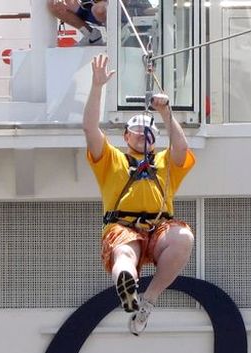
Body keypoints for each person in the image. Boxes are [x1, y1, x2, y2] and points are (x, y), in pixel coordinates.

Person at [83, 53, 196, 336]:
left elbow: (181, 148)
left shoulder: (164, 162)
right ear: (126, 136)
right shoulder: (112, 160)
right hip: (122, 227)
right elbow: (90, 128)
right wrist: (97, 87)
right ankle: (127, 286)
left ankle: (148, 301)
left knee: (184, 237)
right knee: (125, 252)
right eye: (136, 130)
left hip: (159, 230)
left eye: (148, 132)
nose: (143, 134)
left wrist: (166, 113)